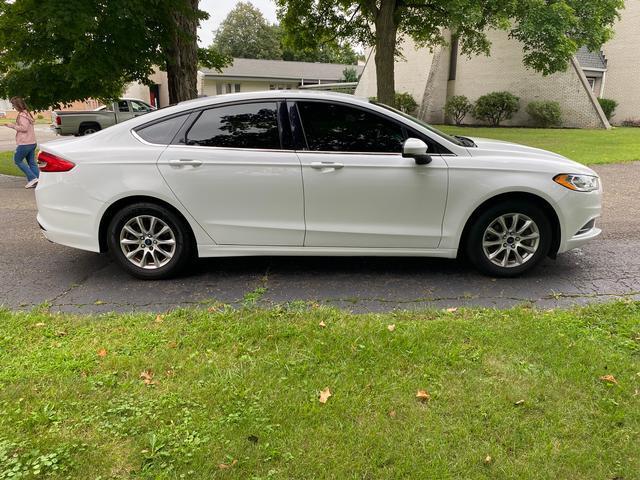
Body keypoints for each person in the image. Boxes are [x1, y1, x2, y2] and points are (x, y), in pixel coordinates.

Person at [4, 96, 39, 188]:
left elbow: (24, 128)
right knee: (31, 162)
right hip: (32, 142)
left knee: (17, 161)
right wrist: (15, 125)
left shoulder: (22, 115)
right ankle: (38, 180)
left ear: (17, 105)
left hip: (25, 143)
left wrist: (12, 126)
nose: (13, 107)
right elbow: (24, 126)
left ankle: (32, 179)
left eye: (13, 105)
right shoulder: (27, 114)